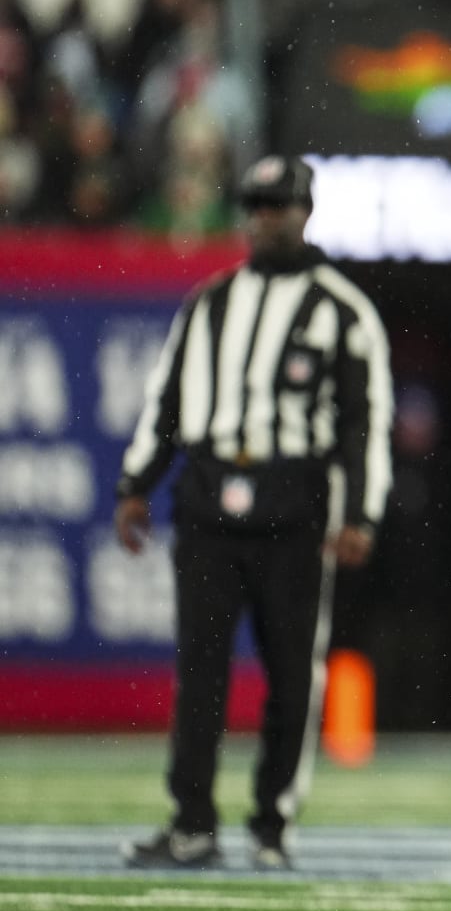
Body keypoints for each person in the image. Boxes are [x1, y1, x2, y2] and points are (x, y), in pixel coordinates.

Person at [114, 154, 393, 871]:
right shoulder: (208, 301)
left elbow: (366, 421)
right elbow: (167, 401)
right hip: (208, 502)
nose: (269, 216)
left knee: (292, 673)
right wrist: (135, 484)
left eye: (282, 204)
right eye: (259, 204)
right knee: (200, 670)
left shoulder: (343, 311)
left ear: (306, 210)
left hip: (296, 507)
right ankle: (192, 824)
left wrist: (360, 512)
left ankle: (272, 825)